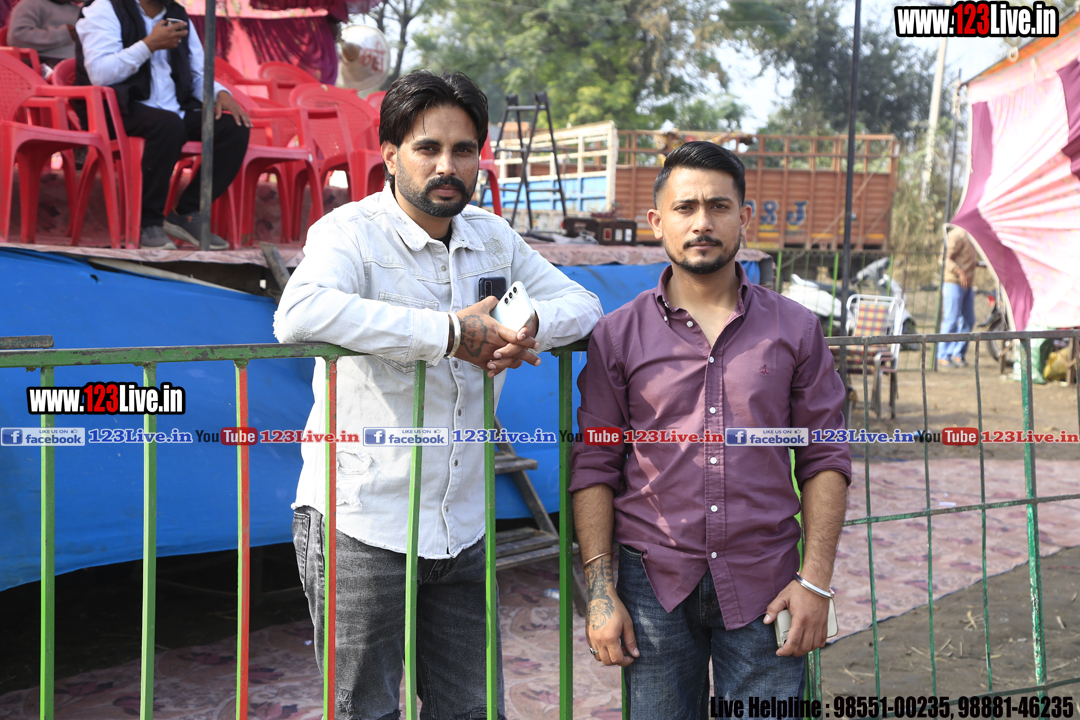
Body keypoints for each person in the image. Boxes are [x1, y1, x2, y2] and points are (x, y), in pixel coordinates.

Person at [273, 69, 602, 719]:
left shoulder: (493, 236)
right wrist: (449, 333)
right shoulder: (349, 233)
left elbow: (583, 303)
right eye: (427, 148)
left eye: (463, 149)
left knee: (474, 708)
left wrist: (527, 326)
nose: (446, 166)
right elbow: (299, 314)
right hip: (361, 518)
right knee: (365, 711)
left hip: (462, 522)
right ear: (391, 156)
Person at [570, 141, 851, 718]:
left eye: (719, 207)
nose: (702, 223)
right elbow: (595, 463)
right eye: (685, 207)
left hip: (767, 580)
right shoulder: (617, 336)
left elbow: (824, 457)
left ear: (743, 217)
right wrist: (600, 593)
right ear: (657, 222)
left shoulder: (796, 329)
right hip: (654, 582)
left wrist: (816, 581)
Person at [74, 0, 251, 249]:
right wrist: (149, 45)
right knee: (167, 125)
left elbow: (197, 73)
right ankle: (149, 223)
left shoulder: (178, 14)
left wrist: (220, 93)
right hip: (119, 109)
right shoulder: (105, 8)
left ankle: (187, 212)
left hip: (172, 110)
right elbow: (100, 74)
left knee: (233, 127)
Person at [938, 225, 978, 368]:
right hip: (953, 283)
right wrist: (959, 272)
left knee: (969, 320)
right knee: (951, 320)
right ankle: (943, 356)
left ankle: (958, 354)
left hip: (967, 284)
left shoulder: (972, 235)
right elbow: (943, 258)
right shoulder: (957, 235)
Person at [6, 0, 82, 70]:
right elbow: (17, 37)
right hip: (45, 62)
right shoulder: (30, 4)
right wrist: (63, 34)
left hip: (77, 60)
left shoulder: (77, 9)